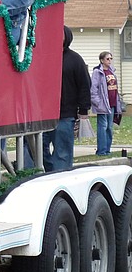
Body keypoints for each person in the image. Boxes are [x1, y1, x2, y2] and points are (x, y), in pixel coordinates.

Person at [43, 26, 90, 171]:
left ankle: (60, 178)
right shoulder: (43, 57)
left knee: (63, 152)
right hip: (42, 114)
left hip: (65, 114)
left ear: (67, 37)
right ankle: (49, 172)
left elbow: (84, 85)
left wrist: (83, 109)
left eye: (60, 33)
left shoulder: (75, 59)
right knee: (35, 150)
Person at [91, 50, 119, 156]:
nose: (110, 60)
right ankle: (101, 151)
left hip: (111, 104)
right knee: (103, 127)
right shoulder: (97, 72)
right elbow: (93, 89)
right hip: (102, 105)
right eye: (107, 59)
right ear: (102, 60)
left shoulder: (112, 72)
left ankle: (107, 149)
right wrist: (98, 103)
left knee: (109, 128)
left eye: (111, 58)